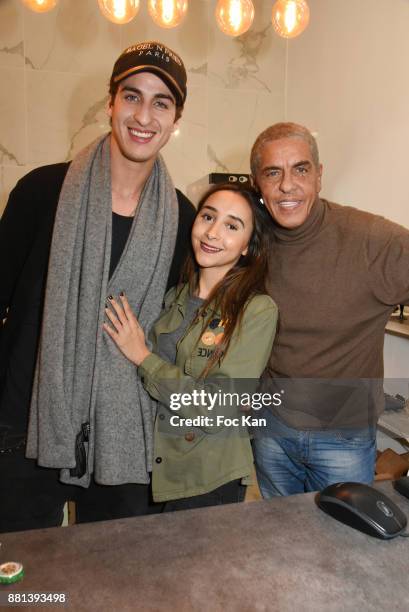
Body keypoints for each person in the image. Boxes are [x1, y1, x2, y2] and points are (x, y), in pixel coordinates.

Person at [0, 41, 196, 533]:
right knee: (25, 586)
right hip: (29, 424)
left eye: (161, 102)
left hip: (126, 434)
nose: (143, 116)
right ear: (110, 103)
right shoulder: (41, 192)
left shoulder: (184, 221)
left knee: (121, 584)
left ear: (175, 121)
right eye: (131, 96)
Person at [250, 122, 409, 497]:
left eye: (300, 169)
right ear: (257, 182)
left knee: (343, 546)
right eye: (273, 173)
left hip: (344, 439)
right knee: (279, 539)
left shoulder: (370, 239)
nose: (288, 185)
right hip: (272, 431)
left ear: (319, 176)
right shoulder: (250, 240)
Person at [103, 184, 278, 510]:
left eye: (231, 226)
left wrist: (143, 357)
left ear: (246, 247)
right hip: (155, 465)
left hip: (206, 475)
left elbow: (218, 408)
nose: (213, 232)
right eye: (208, 217)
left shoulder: (256, 310)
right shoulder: (174, 297)